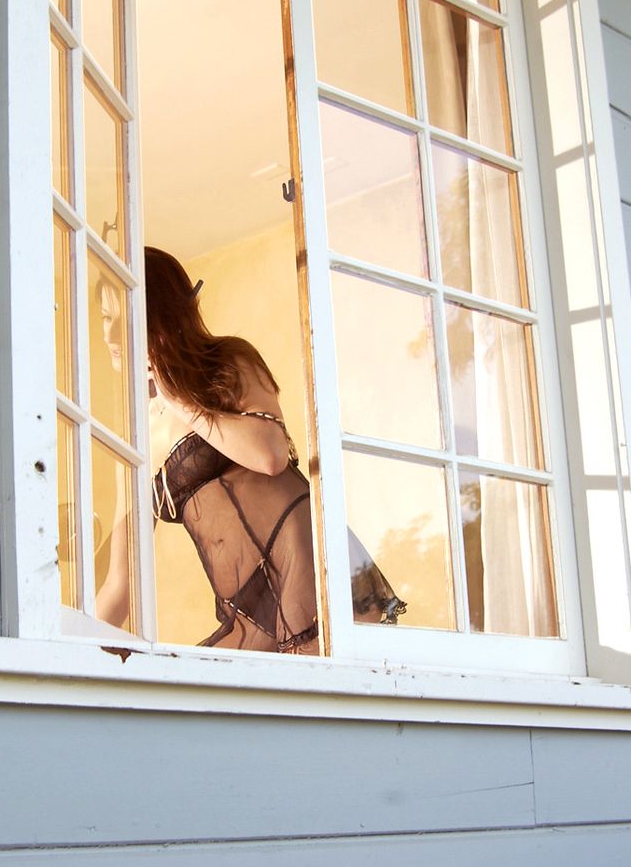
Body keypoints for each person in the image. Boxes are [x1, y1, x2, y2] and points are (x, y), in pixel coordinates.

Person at [97, 246, 404, 653]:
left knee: (326, 691)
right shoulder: (132, 440)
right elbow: (121, 585)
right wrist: (63, 650)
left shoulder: (227, 364)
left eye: (122, 316)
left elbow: (270, 456)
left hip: (304, 565)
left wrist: (177, 398)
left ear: (160, 314)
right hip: (249, 610)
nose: (110, 335)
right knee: (195, 688)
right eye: (105, 318)